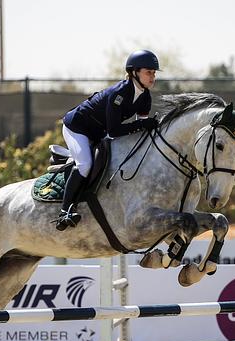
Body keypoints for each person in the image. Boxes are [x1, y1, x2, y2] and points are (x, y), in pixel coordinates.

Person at [55, 49, 160, 231]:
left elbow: (140, 129)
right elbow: (115, 130)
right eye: (148, 72)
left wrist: (147, 127)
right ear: (134, 72)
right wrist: (143, 124)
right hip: (77, 127)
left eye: (154, 73)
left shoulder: (145, 97)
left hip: (98, 131)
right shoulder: (119, 93)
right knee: (85, 165)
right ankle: (64, 211)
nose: (152, 77)